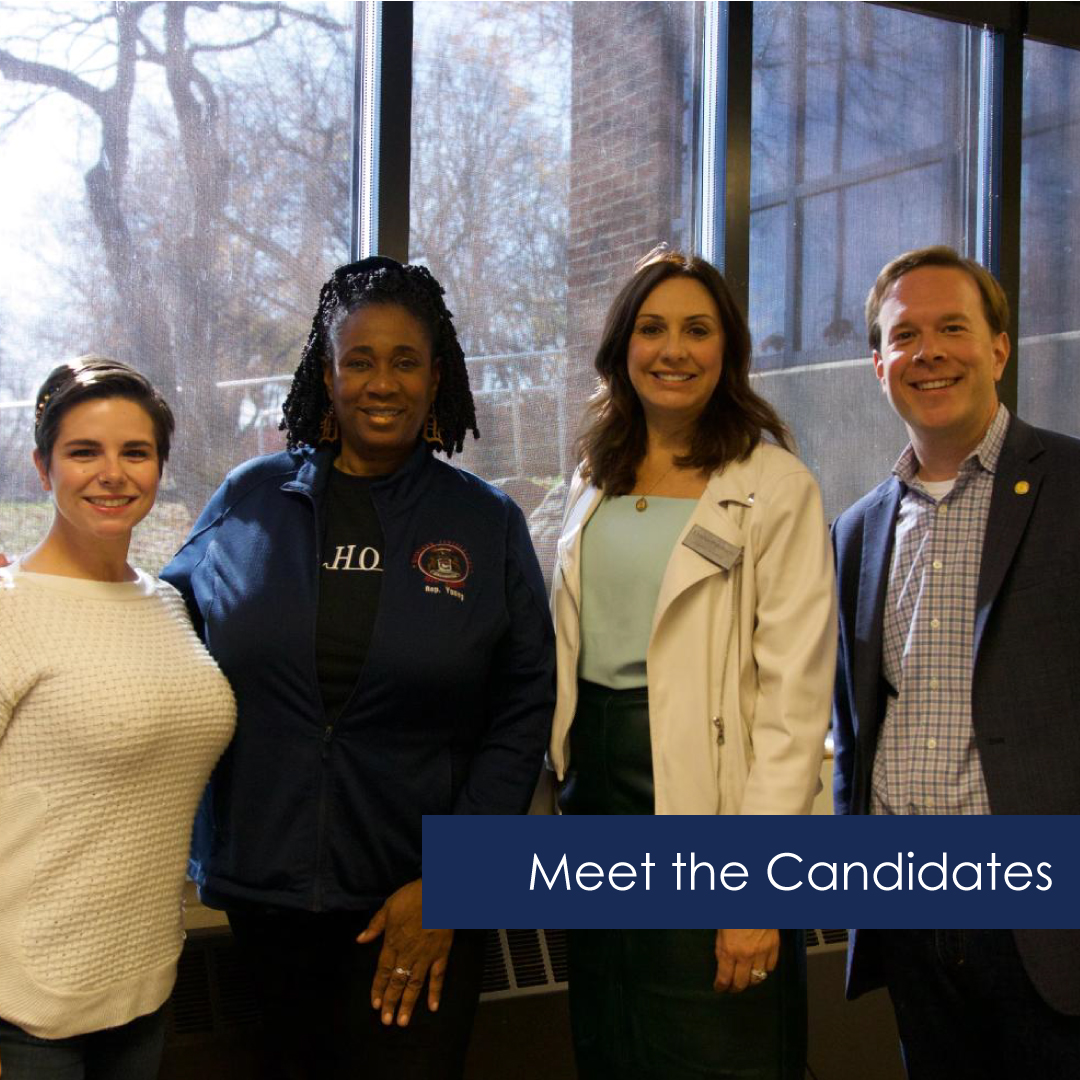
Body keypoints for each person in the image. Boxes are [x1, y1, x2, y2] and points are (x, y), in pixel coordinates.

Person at [162, 256, 555, 1080]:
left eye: (405, 361)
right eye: (360, 360)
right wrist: (40, 585)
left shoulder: (483, 524)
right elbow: (156, 625)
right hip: (267, 899)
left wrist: (456, 884)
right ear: (326, 373)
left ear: (435, 375)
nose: (383, 383)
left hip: (418, 903)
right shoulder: (248, 500)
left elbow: (524, 709)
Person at [546, 249, 836, 1079]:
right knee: (613, 1037)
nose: (673, 350)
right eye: (653, 328)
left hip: (708, 808)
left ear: (728, 350)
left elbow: (794, 703)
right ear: (621, 348)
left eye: (697, 330)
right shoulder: (592, 476)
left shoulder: (773, 485)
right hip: (594, 803)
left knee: (717, 1045)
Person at [832, 246, 1080, 1079]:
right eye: (905, 336)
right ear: (878, 365)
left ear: (1000, 348)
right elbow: (855, 721)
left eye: (952, 329)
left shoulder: (1073, 486)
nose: (929, 352)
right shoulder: (859, 529)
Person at [0, 357, 236, 1080]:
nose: (113, 473)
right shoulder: (11, 607)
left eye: (135, 452)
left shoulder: (165, 603)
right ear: (43, 469)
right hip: (26, 1002)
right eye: (83, 452)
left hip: (142, 980)